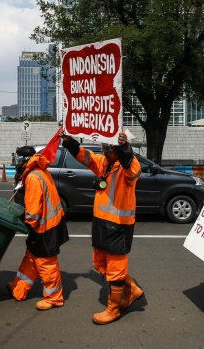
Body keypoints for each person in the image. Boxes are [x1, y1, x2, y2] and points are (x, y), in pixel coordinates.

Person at [60, 130, 144, 325]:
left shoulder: (129, 166)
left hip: (118, 227)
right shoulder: (104, 163)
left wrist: (124, 148)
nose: (104, 150)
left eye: (109, 147)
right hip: (101, 224)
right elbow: (84, 156)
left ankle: (113, 309)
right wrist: (68, 141)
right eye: (104, 147)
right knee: (103, 264)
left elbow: (130, 168)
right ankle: (132, 290)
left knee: (115, 268)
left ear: (118, 149)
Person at [7, 146, 69, 310]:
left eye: (19, 160)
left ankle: (54, 298)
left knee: (46, 263)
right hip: (48, 224)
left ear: (26, 160)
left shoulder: (33, 177)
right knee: (31, 258)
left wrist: (27, 223)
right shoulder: (38, 171)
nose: (17, 163)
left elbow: (33, 211)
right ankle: (18, 289)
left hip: (45, 228)